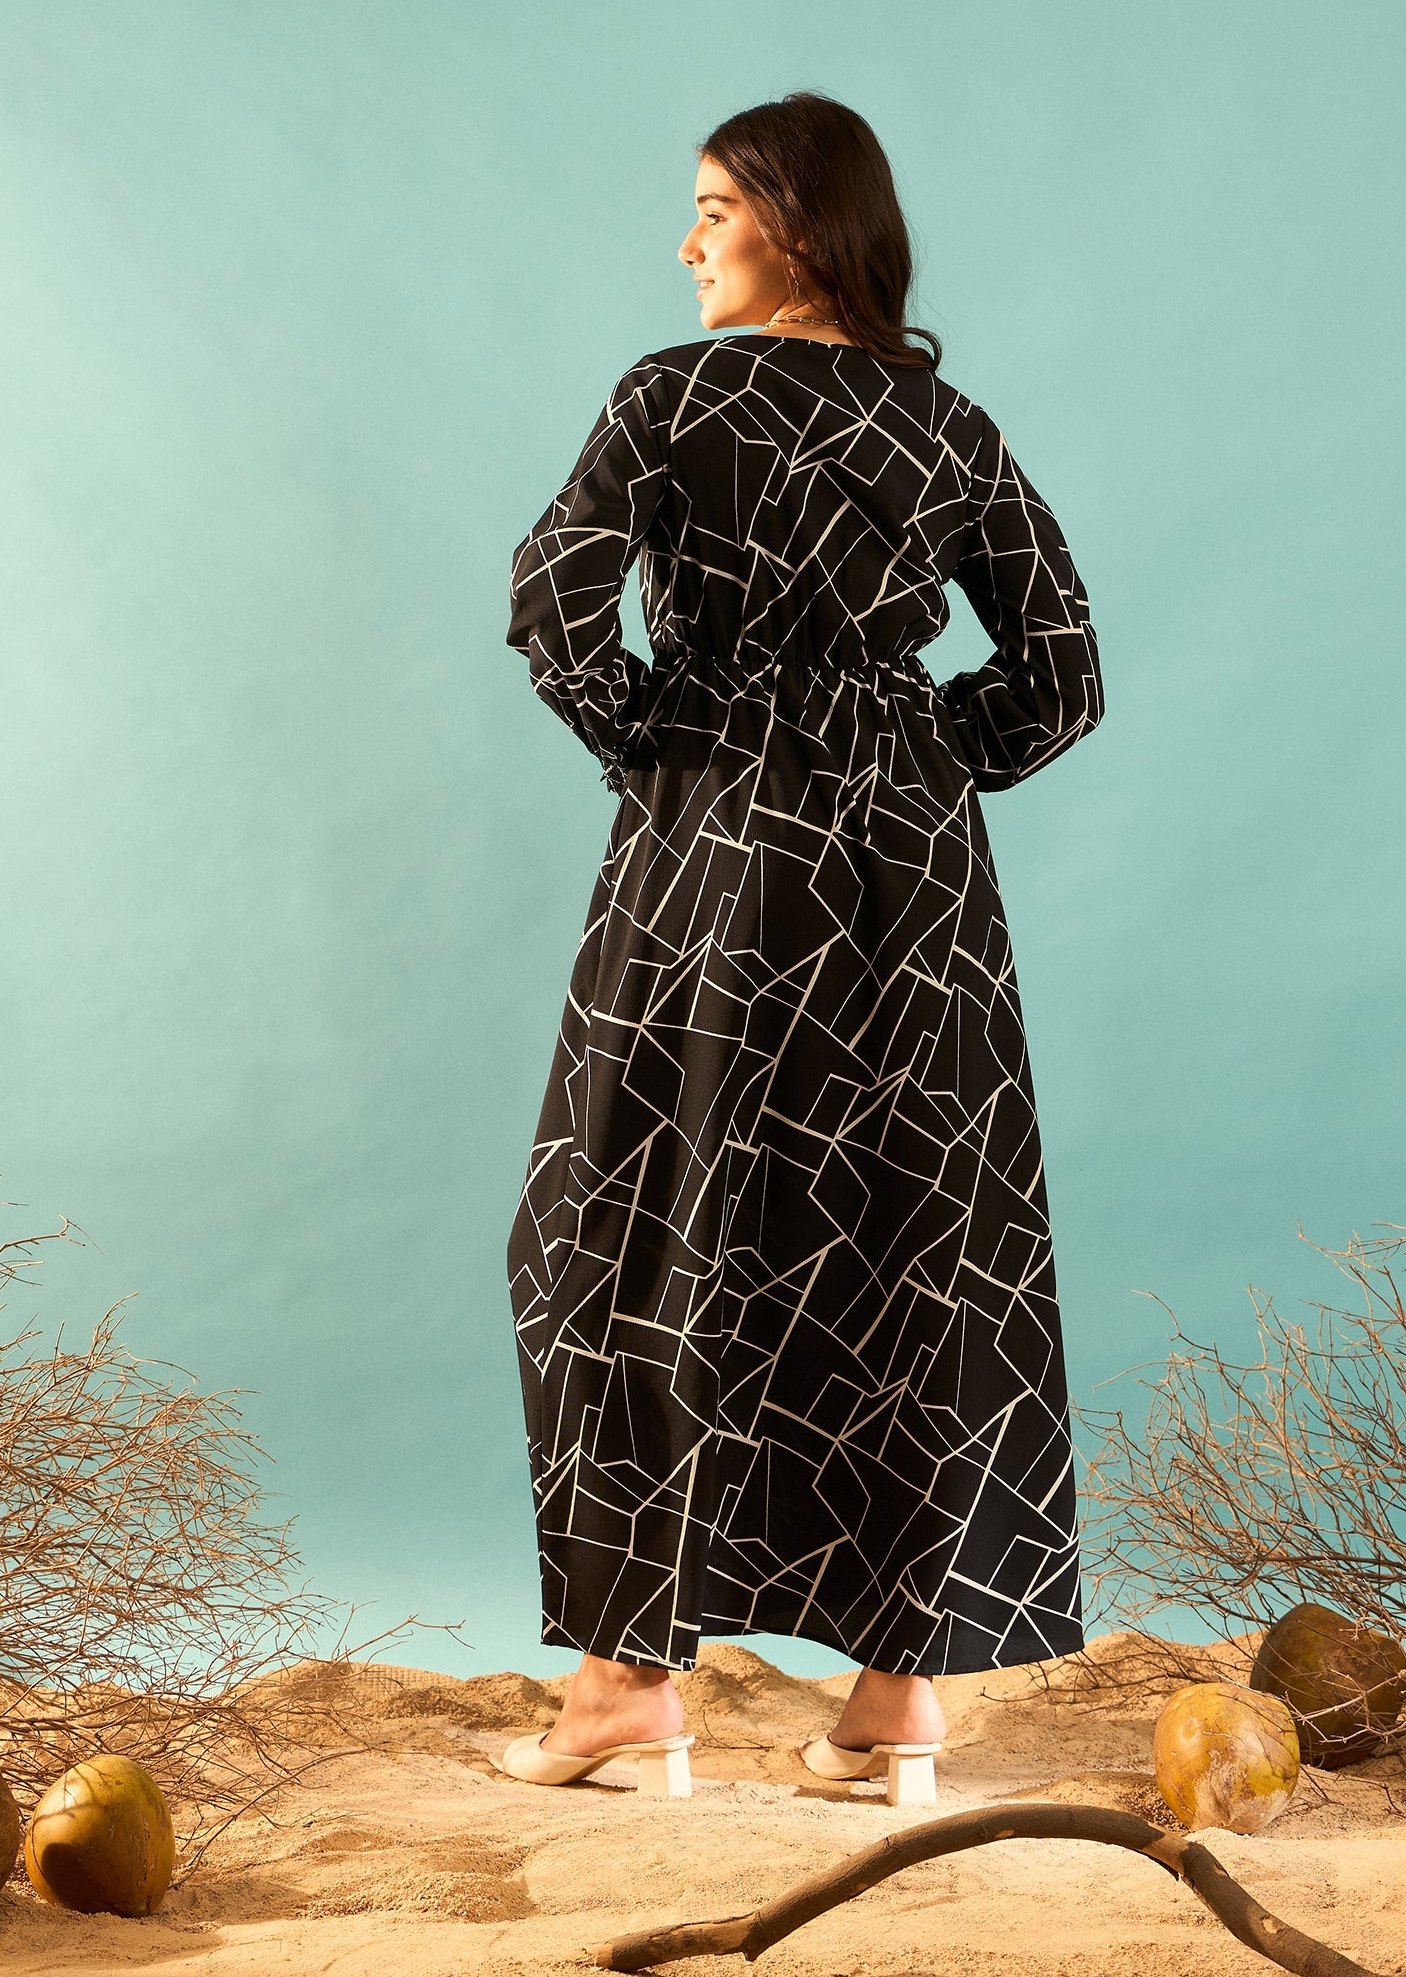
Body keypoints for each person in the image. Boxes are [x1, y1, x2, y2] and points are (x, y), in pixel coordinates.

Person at [497, 91, 1104, 1796]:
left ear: (797, 217)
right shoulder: (951, 428)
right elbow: (1063, 673)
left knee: (630, 1216)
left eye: (712, 207)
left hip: (719, 846)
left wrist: (662, 743)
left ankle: (627, 1680)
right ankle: (902, 1695)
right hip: (913, 878)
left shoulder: (674, 396)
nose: (686, 241)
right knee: (915, 1232)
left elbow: (552, 598)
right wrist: (914, 753)